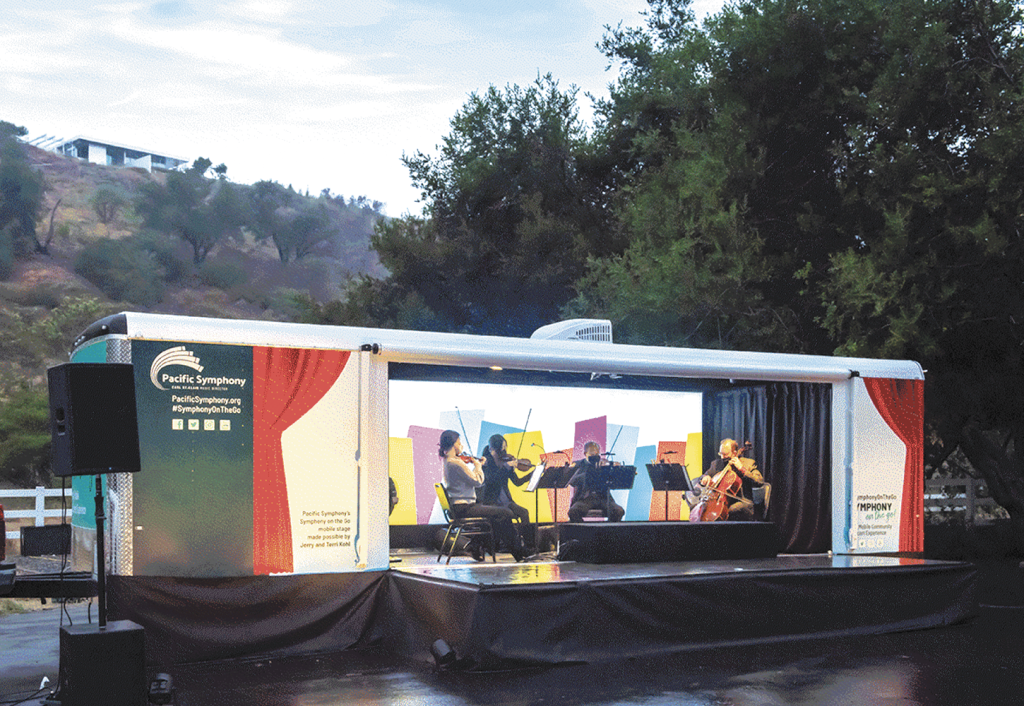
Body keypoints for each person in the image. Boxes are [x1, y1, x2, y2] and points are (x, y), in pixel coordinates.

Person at [439, 430, 528, 561]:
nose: (461, 445)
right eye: (459, 442)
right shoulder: (456, 463)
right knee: (505, 513)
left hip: (461, 507)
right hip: (465, 507)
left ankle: (478, 546)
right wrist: (478, 465)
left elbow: (471, 479)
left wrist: (478, 465)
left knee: (497, 516)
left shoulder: (449, 461)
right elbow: (478, 481)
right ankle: (517, 552)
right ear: (453, 444)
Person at [479, 434, 534, 546]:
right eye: (500, 451)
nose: (503, 454)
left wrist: (532, 475)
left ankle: (529, 545)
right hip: (492, 502)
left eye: (504, 450)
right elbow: (491, 480)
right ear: (492, 450)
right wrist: (505, 467)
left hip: (506, 501)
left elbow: (517, 482)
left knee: (524, 512)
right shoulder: (486, 463)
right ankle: (511, 544)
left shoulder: (506, 463)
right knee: (506, 515)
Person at [697, 438, 764, 521]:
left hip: (742, 502)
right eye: (720, 454)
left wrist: (742, 469)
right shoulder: (716, 464)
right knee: (701, 508)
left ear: (734, 453)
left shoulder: (748, 463)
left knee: (729, 511)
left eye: (725, 454)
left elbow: (759, 481)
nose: (722, 457)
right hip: (719, 500)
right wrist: (704, 478)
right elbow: (703, 476)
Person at [567, 441, 625, 523]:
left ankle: (608, 529)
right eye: (592, 455)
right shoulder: (579, 465)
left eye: (597, 454)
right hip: (585, 499)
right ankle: (584, 530)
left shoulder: (604, 463)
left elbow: (614, 482)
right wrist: (587, 472)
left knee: (618, 511)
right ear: (585, 454)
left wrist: (614, 469)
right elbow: (572, 481)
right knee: (573, 512)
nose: (595, 457)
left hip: (604, 498)